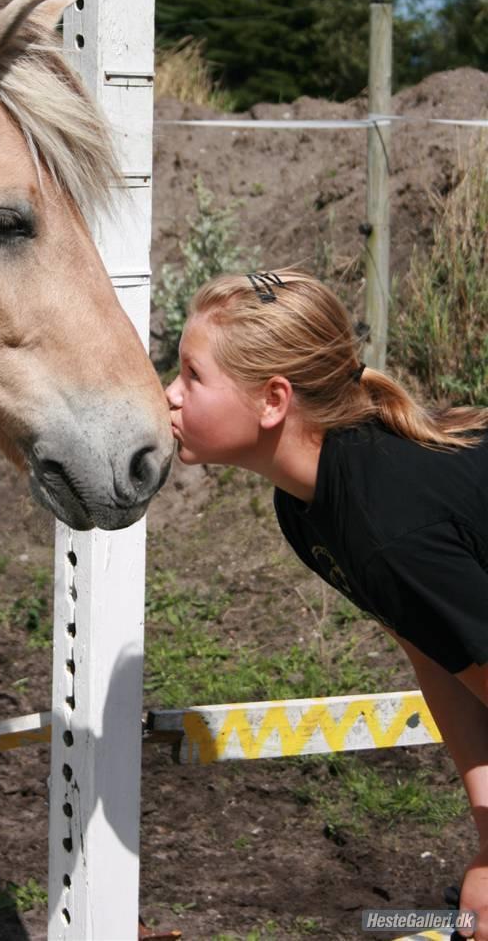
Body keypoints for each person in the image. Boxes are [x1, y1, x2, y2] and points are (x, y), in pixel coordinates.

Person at [165, 268, 488, 941]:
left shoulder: (387, 526)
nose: (168, 393)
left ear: (273, 400)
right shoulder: (309, 511)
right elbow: (438, 653)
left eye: (192, 376)